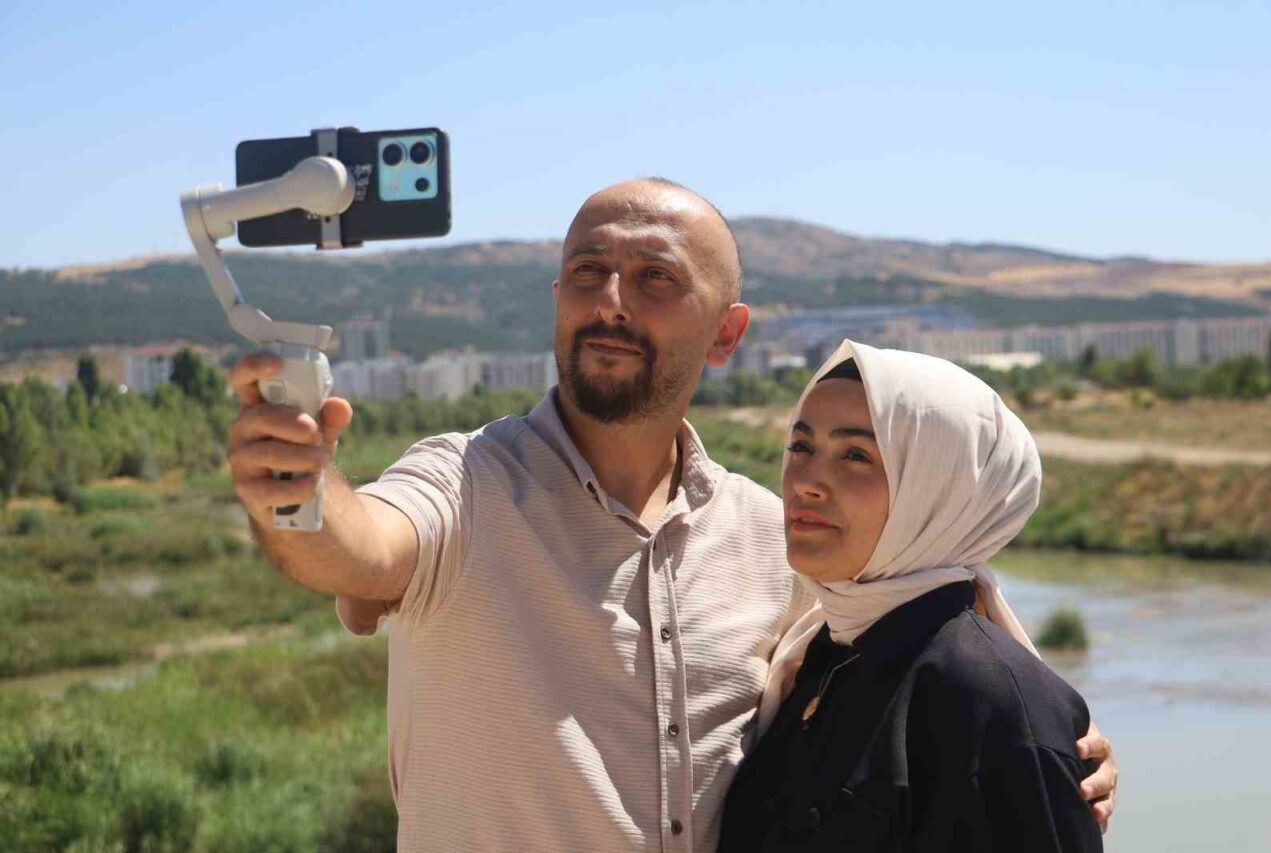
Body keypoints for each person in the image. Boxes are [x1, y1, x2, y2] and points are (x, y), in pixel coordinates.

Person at [225, 179, 1116, 851]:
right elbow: (358, 546)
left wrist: (1037, 743)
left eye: (654, 278)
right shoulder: (465, 482)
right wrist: (295, 486)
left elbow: (905, 651)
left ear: (726, 333)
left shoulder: (777, 542)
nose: (611, 301)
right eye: (588, 272)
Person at [719, 339, 1104, 852]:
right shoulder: (815, 657)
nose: (806, 482)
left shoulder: (993, 703)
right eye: (801, 447)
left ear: (938, 489)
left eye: (856, 455)